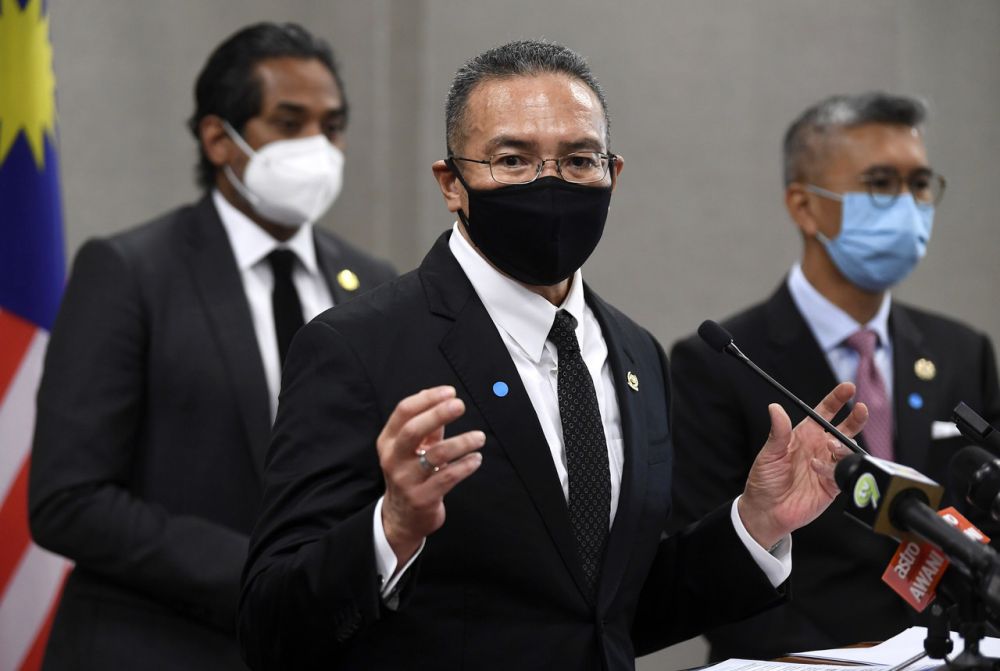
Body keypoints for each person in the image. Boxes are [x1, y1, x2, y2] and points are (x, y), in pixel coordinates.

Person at [238, 41, 867, 671]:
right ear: (452, 184)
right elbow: (271, 623)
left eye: (578, 160)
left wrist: (754, 525)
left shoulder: (637, 354)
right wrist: (390, 529)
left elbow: (606, 614)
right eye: (512, 160)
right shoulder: (357, 346)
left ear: (612, 174)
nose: (550, 184)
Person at [28, 22, 395, 670]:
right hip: (158, 646)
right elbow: (69, 500)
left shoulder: (372, 285)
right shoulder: (130, 272)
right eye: (288, 123)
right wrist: (269, 577)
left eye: (331, 125)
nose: (318, 146)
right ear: (217, 138)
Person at [668, 92, 1000, 661]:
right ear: (804, 206)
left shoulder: (962, 350)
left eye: (919, 184)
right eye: (879, 183)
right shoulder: (721, 362)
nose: (907, 205)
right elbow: (707, 562)